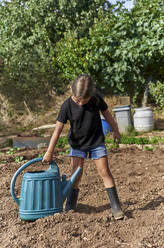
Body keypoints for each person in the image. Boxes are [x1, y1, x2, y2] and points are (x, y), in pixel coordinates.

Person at [42, 74, 124, 220]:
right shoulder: (66, 105)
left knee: (105, 172)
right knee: (76, 176)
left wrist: (116, 130)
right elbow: (57, 130)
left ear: (91, 94)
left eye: (83, 100)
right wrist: (49, 152)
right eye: (76, 99)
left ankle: (116, 207)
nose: (79, 103)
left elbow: (108, 115)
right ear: (72, 92)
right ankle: (70, 207)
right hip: (77, 145)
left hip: (96, 143)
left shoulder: (96, 99)